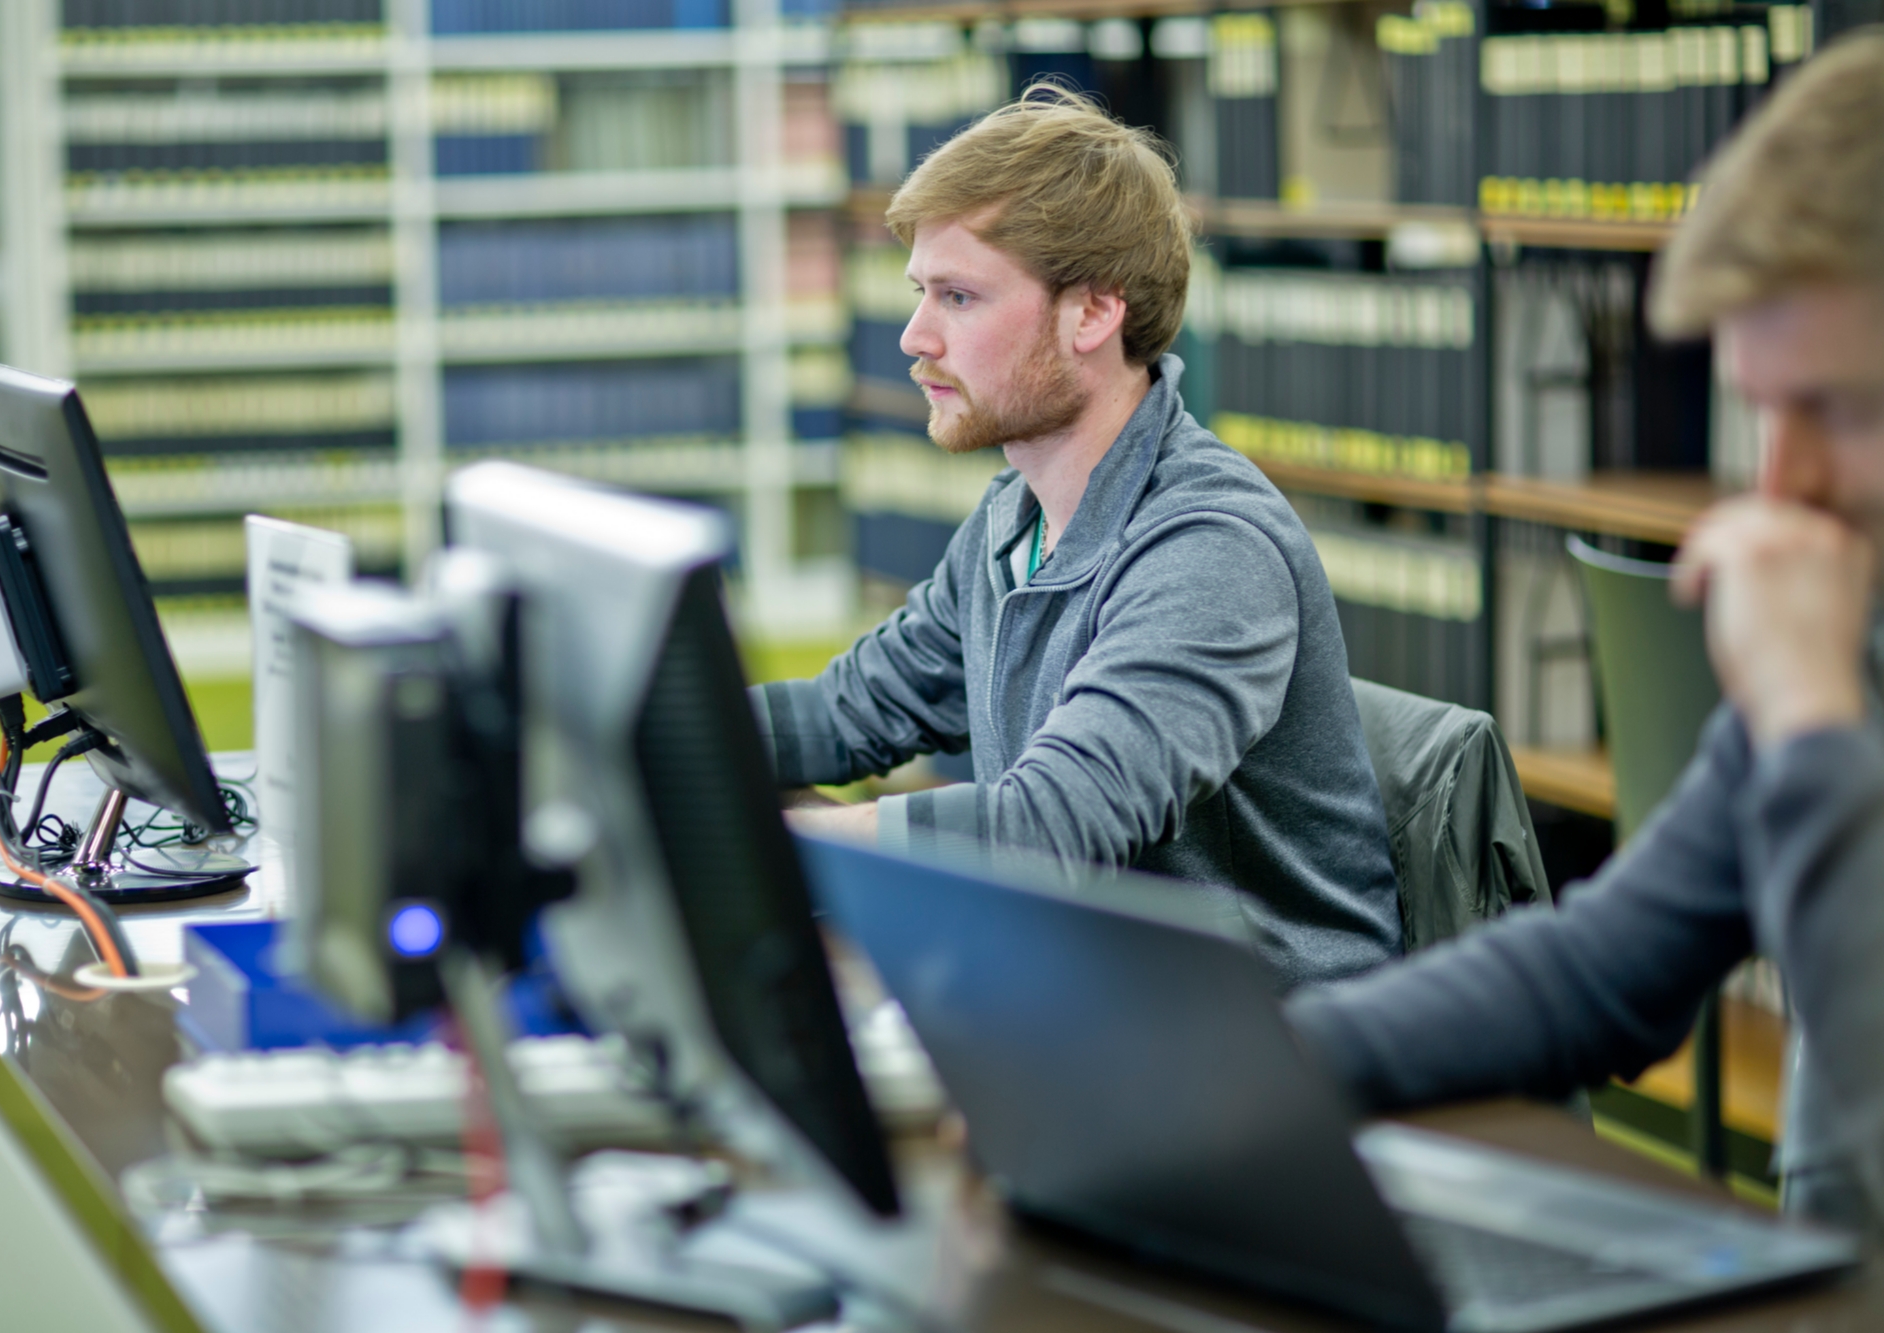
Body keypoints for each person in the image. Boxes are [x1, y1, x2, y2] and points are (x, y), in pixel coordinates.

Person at [1287, 30, 1884, 1228]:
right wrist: (1237, 1074)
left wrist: (1813, 727)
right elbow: (1603, 969)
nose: (1784, 482)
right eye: (1759, 411)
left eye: (1835, 406)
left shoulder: (1824, 673)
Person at [752, 87, 1403, 989]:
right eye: (919, 294)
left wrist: (779, 839)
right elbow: (851, 714)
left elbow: (1051, 829)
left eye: (959, 297)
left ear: (1093, 314)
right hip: (1092, 998)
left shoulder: (1210, 547)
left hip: (1269, 1047)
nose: (914, 336)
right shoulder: (1013, 520)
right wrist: (659, 727)